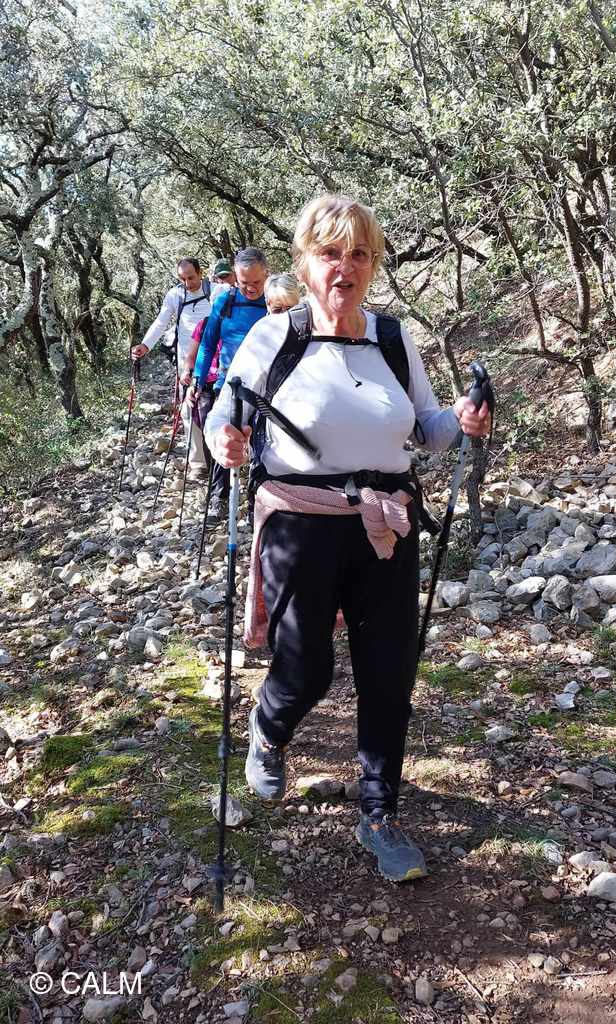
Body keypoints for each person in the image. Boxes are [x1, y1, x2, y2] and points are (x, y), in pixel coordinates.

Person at [204, 195, 491, 883]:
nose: (345, 267)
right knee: (307, 668)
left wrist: (461, 419)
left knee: (387, 673)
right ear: (304, 264)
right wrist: (225, 440)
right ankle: (270, 727)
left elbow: (425, 428)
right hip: (299, 520)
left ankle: (378, 813)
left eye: (359, 254)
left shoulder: (391, 338)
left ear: (373, 264)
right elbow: (225, 414)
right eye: (330, 253)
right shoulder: (274, 337)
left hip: (385, 525)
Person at [187, 247, 268, 522]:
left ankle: (257, 502)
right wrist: (198, 379)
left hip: (266, 388)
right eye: (244, 282)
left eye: (257, 282)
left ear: (266, 274)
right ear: (235, 276)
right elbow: (208, 343)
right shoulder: (226, 300)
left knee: (262, 446)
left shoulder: (275, 301)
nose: (251, 288)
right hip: (229, 384)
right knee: (224, 438)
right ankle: (218, 498)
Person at [131, 258, 211, 479]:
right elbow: (161, 321)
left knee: (215, 408)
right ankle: (199, 463)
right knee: (189, 409)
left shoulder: (215, 292)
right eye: (182, 279)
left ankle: (223, 459)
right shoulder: (176, 295)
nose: (187, 283)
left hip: (215, 360)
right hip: (187, 362)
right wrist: (145, 345)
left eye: (191, 277)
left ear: (200, 273)